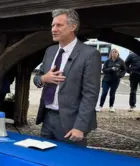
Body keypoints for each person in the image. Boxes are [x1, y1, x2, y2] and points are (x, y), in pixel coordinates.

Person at [33, 9, 100, 146]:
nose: (54, 29)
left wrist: (80, 126)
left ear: (73, 27)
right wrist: (43, 79)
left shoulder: (90, 54)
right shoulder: (50, 51)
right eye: (52, 25)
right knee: (44, 161)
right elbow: (37, 78)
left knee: (68, 164)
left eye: (59, 25)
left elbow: (90, 94)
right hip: (47, 118)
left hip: (71, 123)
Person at [97, 48, 126, 112]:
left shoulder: (121, 61)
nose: (114, 53)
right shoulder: (107, 61)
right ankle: (100, 106)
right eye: (113, 52)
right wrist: (111, 69)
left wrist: (120, 75)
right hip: (106, 80)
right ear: (111, 53)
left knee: (112, 93)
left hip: (115, 81)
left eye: (116, 52)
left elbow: (124, 70)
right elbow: (104, 70)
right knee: (104, 93)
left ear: (118, 53)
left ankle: (111, 107)